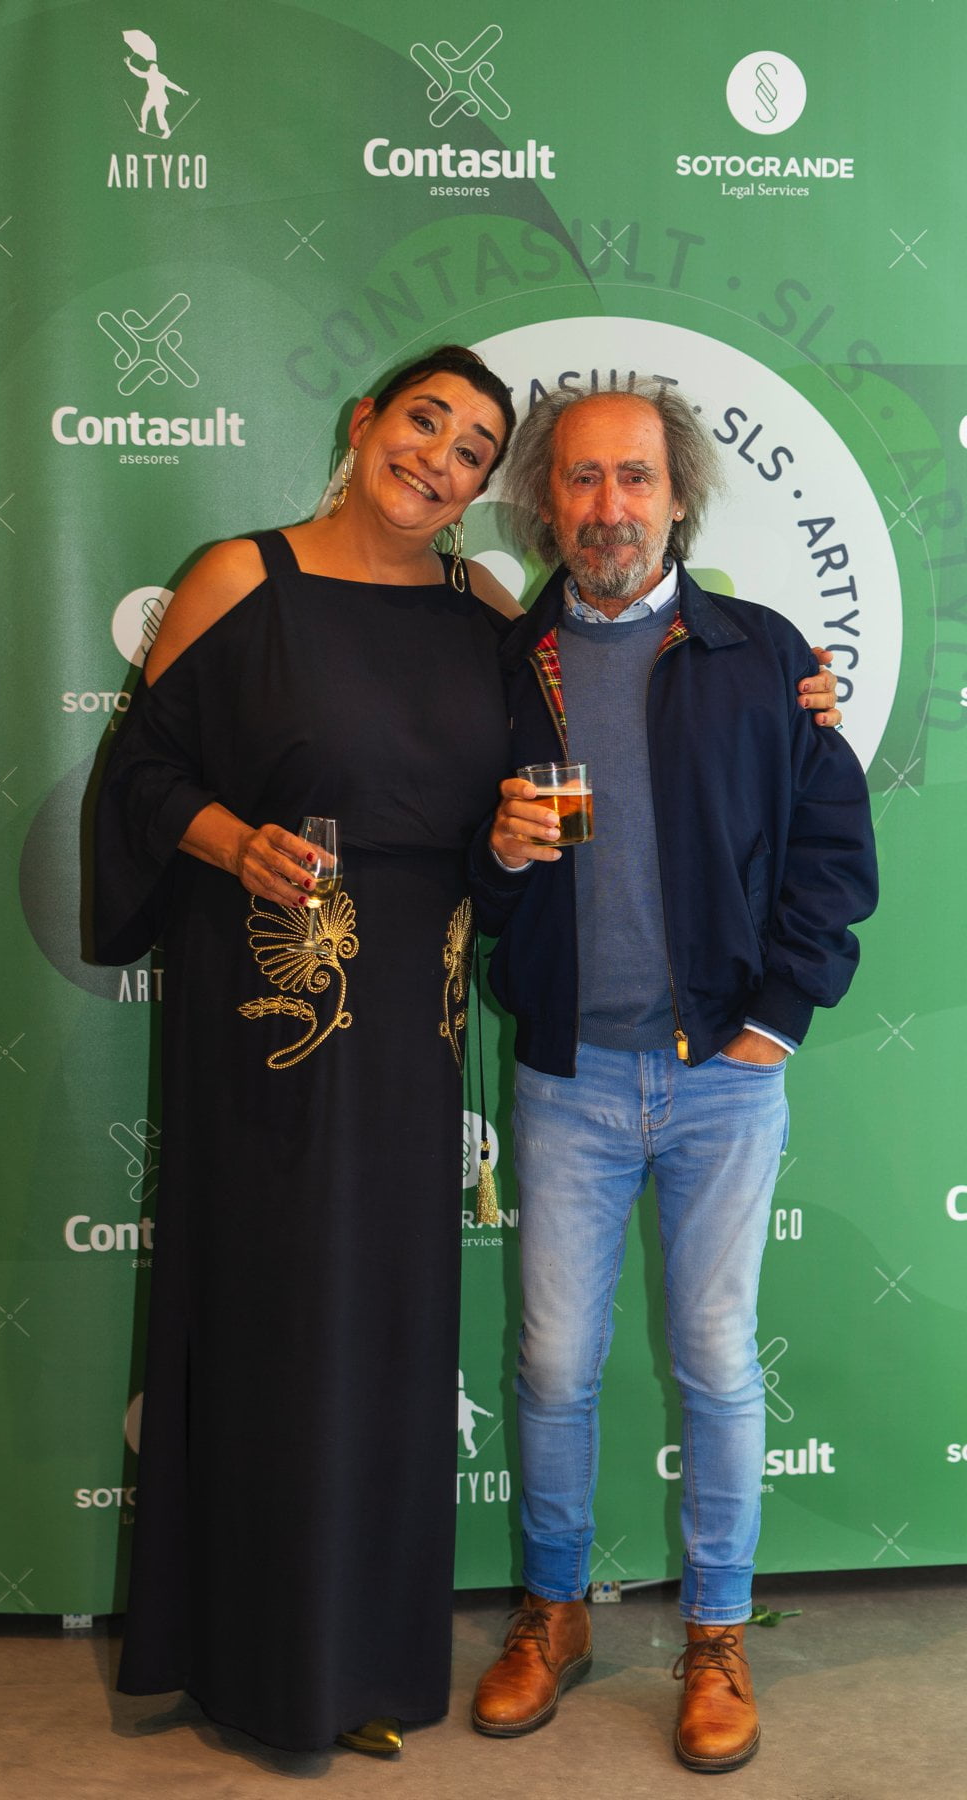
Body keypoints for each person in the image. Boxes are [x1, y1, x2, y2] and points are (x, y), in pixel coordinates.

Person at [88, 349, 840, 1758]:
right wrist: (239, 846)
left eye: (472, 447)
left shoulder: (546, 627)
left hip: (451, 1046)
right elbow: (149, 778)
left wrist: (799, 702)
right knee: (439, 1351)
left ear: (676, 498)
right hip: (320, 1033)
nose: (440, 458)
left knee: (466, 1343)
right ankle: (368, 1645)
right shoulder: (331, 597)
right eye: (425, 424)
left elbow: (810, 839)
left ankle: (619, 1645)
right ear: (366, 423)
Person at [466, 383, 878, 1773]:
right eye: (582, 480)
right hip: (569, 1076)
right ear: (547, 503)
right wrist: (497, 855)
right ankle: (554, 1612)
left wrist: (781, 1015)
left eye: (634, 478)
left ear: (679, 495)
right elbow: (456, 874)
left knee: (714, 1360)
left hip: (723, 1077)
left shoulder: (764, 655)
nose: (609, 508)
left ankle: (715, 1634)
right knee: (552, 1364)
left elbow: (833, 850)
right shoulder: (504, 664)